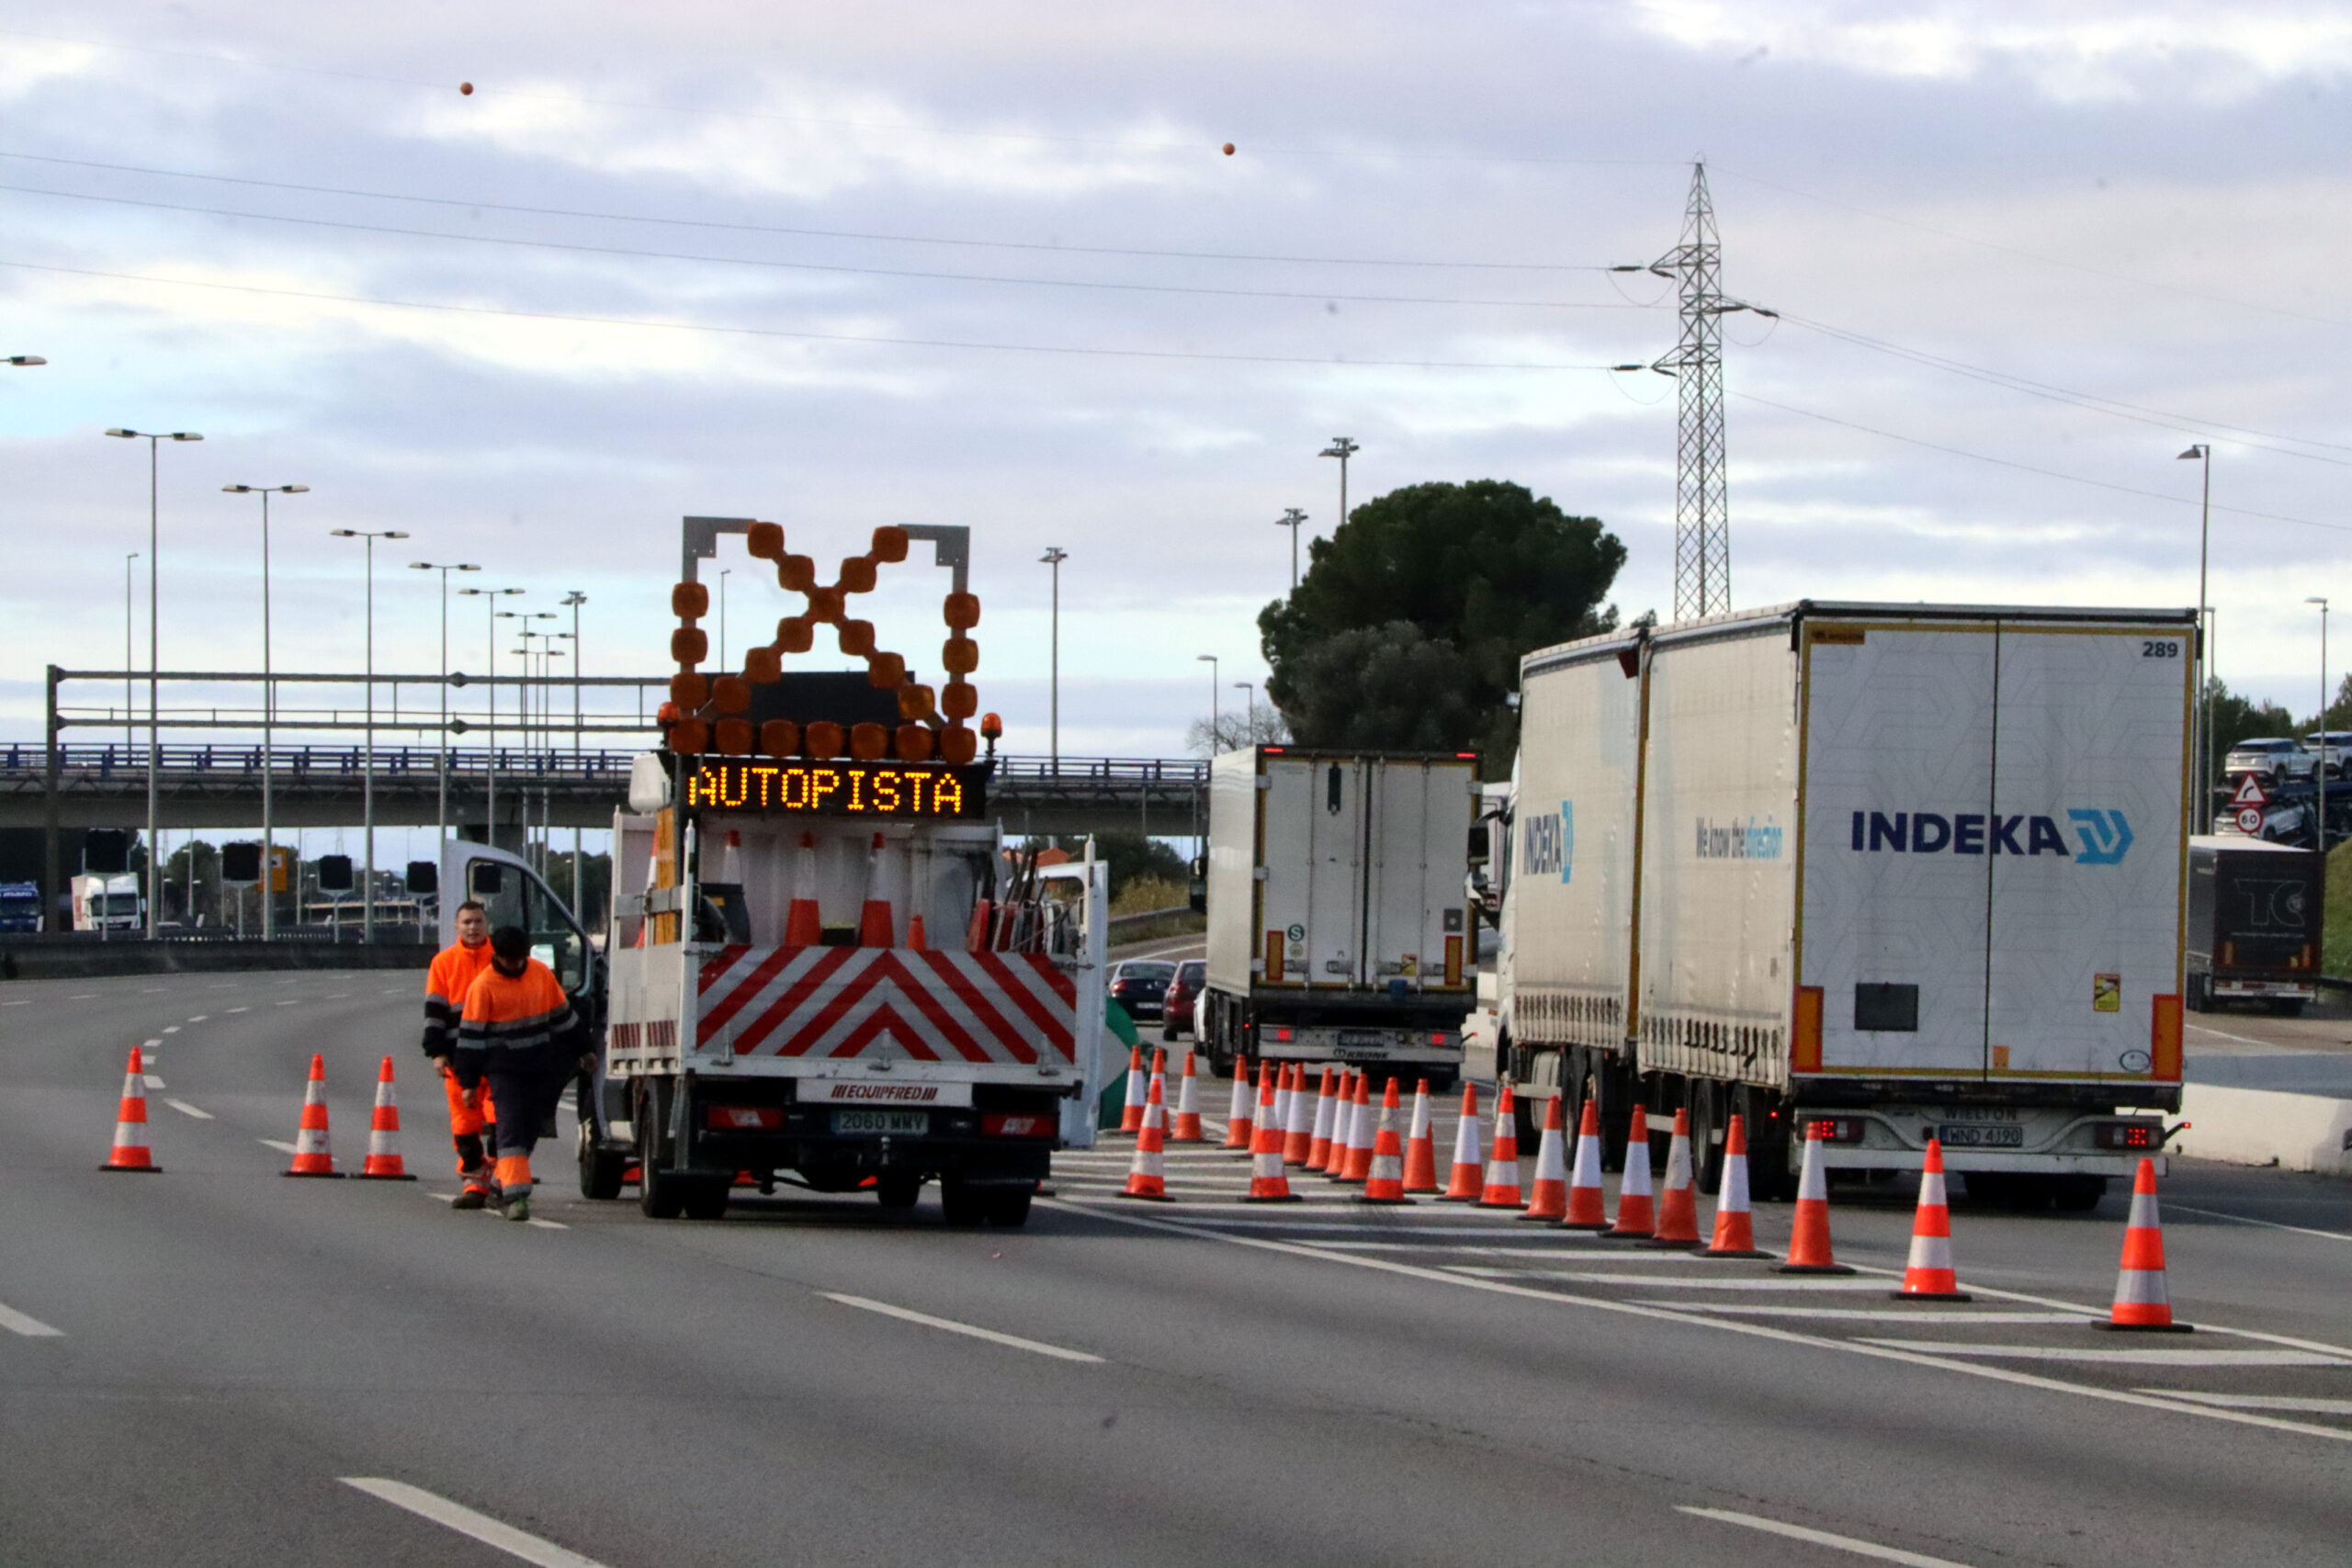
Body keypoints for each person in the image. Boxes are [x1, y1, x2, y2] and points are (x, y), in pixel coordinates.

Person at [452, 925, 594, 1223]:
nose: (515, 965)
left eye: (519, 959)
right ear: (498, 956)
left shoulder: (540, 974)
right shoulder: (483, 986)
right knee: (511, 1129)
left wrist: (585, 1049)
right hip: (503, 1070)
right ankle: (515, 1197)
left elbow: (564, 1019)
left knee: (530, 1129)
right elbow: (470, 1041)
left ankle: (499, 1184)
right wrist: (468, 1083)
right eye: (509, 960)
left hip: (538, 1067)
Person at [423, 899, 499, 1207]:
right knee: (464, 1125)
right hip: (458, 1057)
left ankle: (502, 1179)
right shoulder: (443, 963)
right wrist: (436, 1052)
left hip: (497, 1055)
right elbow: (434, 1012)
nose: (473, 927)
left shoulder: (500, 958)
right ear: (456, 926)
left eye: (478, 921)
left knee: (499, 1119)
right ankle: (475, 1182)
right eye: (467, 922)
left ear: (487, 924)